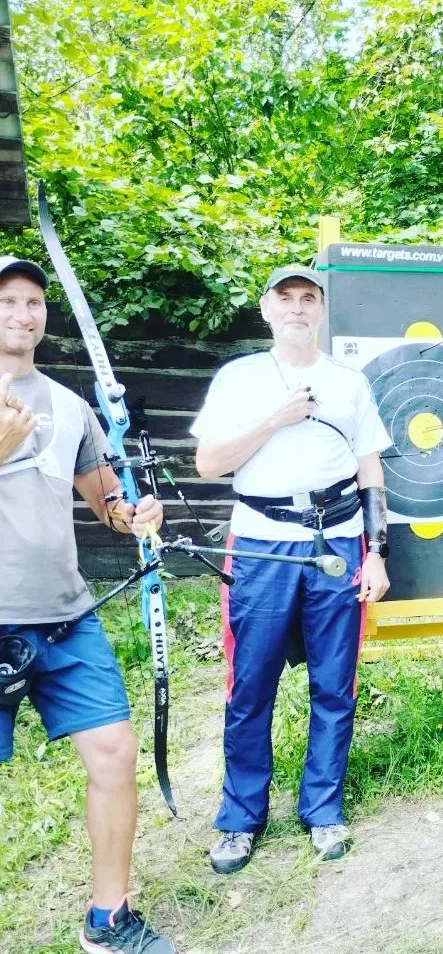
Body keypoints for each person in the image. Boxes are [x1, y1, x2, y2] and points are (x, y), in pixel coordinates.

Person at [0, 256, 176, 953]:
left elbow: (106, 498)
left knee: (113, 752)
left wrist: (134, 514)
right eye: (8, 301)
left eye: (33, 302)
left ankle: (109, 918)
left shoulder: (69, 406)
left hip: (65, 614)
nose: (23, 314)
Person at [192, 264, 392, 874]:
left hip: (338, 543)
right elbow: (209, 463)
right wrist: (273, 420)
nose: (298, 308)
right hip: (261, 545)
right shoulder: (239, 378)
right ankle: (239, 818)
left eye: (309, 298)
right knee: (250, 684)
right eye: (286, 298)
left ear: (321, 311)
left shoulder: (349, 382)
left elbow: (370, 469)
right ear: (267, 309)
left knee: (334, 684)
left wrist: (377, 551)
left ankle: (323, 809)